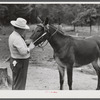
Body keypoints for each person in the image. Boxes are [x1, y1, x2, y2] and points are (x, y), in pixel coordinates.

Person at [8, 17, 35, 90]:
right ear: (20, 29)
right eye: (24, 29)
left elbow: (18, 46)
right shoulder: (17, 38)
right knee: (20, 85)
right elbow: (23, 52)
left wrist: (24, 43)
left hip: (15, 61)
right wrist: (30, 47)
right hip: (21, 63)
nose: (24, 31)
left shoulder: (13, 35)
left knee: (16, 82)